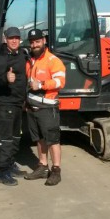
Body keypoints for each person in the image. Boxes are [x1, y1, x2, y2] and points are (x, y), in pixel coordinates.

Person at [24, 28, 66, 186]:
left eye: (38, 41)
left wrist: (41, 84)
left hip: (48, 108)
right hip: (32, 107)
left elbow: (60, 82)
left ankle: (56, 170)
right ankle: (42, 166)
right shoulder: (30, 61)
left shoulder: (53, 60)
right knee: (39, 139)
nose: (35, 44)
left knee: (52, 140)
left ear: (44, 41)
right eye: (32, 42)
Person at [0, 26, 28, 186]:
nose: (14, 40)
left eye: (17, 38)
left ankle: (11, 164)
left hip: (18, 103)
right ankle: (2, 171)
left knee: (15, 137)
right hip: (5, 103)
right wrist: (6, 78)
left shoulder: (21, 54)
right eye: (11, 38)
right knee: (5, 139)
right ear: (6, 39)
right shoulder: (1, 57)